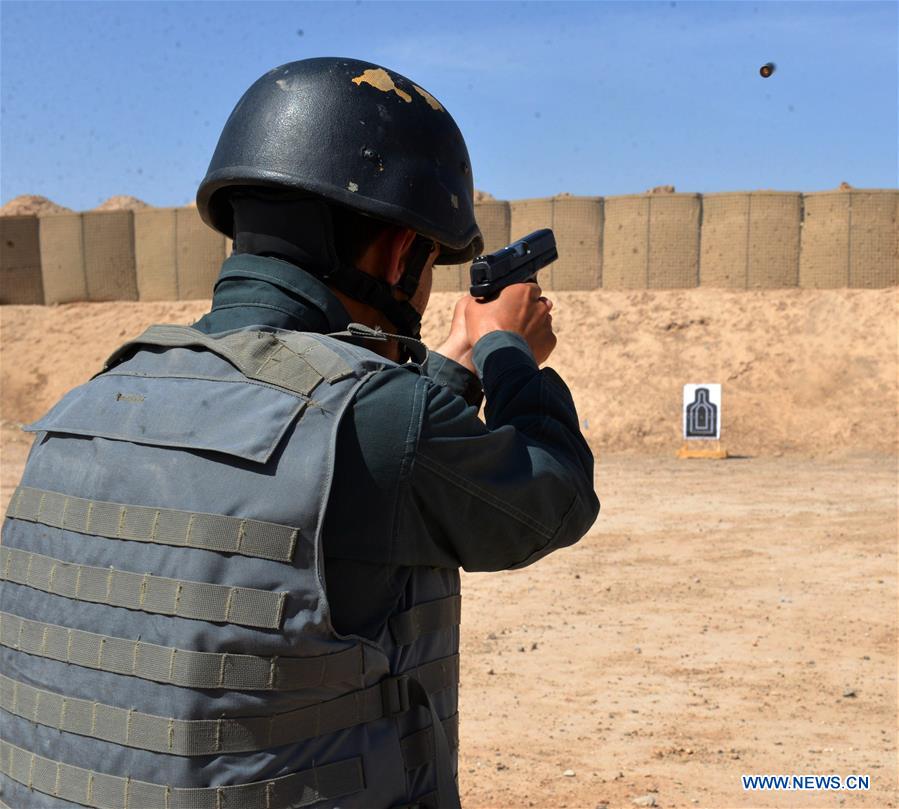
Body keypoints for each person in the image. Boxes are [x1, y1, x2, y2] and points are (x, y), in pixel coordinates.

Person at [0, 58, 599, 808]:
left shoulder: (93, 401)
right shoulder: (378, 416)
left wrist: (449, 369)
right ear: (398, 251)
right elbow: (551, 498)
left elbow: (352, 465)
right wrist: (508, 351)